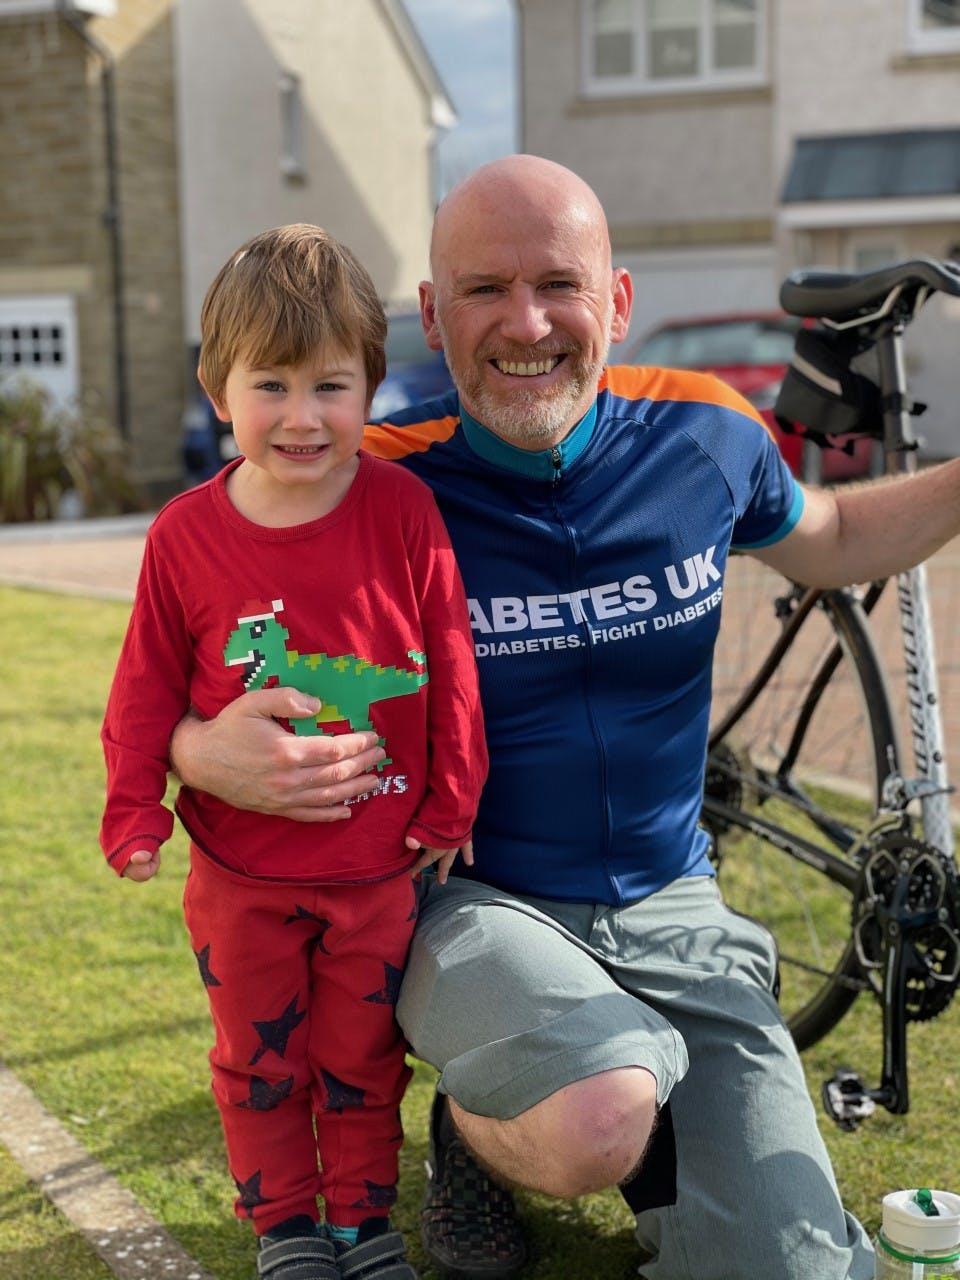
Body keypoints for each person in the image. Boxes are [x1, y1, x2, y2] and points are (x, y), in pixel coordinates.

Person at [167, 158, 960, 1280]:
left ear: (618, 302)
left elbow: (826, 533)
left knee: (795, 1269)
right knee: (594, 1115)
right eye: (485, 288)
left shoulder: (708, 433)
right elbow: (183, 614)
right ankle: (483, 1129)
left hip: (679, 907)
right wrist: (198, 748)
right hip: (471, 900)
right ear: (434, 317)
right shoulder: (367, 478)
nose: (526, 322)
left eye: (559, 284)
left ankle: (629, 1099)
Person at [99, 224, 487, 1280]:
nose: (303, 416)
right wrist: (135, 805)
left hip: (379, 868)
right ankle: (285, 1225)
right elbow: (143, 687)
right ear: (216, 385)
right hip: (240, 874)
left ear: (373, 383)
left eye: (332, 384)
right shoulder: (183, 534)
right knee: (259, 1059)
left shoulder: (405, 510)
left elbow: (448, 657)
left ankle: (364, 1220)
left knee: (362, 1059)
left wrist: (450, 802)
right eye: (271, 384)